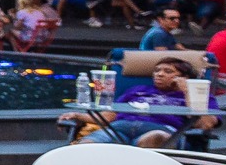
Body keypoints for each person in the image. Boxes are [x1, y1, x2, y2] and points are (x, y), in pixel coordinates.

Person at [69, 56, 218, 147]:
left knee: (155, 139)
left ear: (184, 77)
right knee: (86, 147)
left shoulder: (199, 95)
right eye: (157, 70)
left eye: (168, 72)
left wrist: (188, 91)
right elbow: (108, 117)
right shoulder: (137, 89)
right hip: (118, 129)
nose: (159, 74)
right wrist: (77, 116)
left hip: (160, 130)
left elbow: (205, 124)